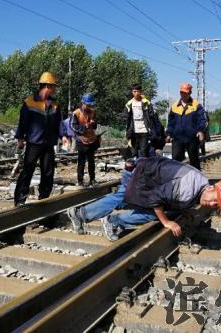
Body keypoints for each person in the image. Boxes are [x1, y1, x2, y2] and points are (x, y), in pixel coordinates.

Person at [100, 156, 221, 241]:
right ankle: (113, 221)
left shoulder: (202, 182)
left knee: (161, 209)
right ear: (211, 189)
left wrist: (183, 211)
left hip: (147, 180)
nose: (212, 204)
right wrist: (166, 222)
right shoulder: (187, 189)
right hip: (143, 181)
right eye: (214, 199)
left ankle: (117, 206)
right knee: (152, 214)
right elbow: (156, 199)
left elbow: (175, 197)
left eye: (216, 204)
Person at [14, 72, 63, 206]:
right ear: (47, 86)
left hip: (48, 144)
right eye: (54, 86)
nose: (55, 89)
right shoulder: (29, 102)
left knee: (48, 173)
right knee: (27, 171)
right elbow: (23, 122)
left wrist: (64, 136)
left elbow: (59, 123)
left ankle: (44, 201)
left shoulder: (55, 105)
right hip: (34, 143)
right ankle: (19, 201)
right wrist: (20, 138)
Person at [67, 159, 136, 234]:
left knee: (122, 197)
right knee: (124, 197)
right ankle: (112, 221)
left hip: (139, 167)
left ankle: (81, 214)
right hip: (143, 168)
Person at [165, 83, 206, 170]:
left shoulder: (196, 105)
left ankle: (197, 181)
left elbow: (202, 119)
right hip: (177, 138)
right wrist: (169, 133)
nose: (183, 94)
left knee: (194, 161)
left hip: (192, 138)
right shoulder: (174, 106)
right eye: (182, 92)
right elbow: (171, 122)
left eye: (185, 92)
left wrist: (200, 130)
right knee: (175, 161)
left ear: (190, 93)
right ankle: (176, 181)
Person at [71, 93, 99, 187]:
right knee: (81, 162)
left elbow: (95, 126)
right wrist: (84, 127)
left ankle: (92, 179)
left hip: (91, 140)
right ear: (83, 103)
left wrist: (93, 123)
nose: (90, 106)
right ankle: (80, 180)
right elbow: (73, 126)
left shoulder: (93, 112)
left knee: (91, 161)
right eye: (88, 104)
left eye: (91, 104)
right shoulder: (76, 113)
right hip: (81, 140)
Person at [125, 83, 158, 158]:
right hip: (133, 131)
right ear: (132, 92)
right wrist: (127, 130)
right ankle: (135, 168)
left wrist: (152, 130)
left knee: (143, 152)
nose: (136, 93)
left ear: (141, 92)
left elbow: (151, 116)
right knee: (134, 152)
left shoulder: (146, 103)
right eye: (134, 91)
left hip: (144, 130)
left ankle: (143, 167)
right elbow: (126, 117)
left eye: (137, 91)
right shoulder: (129, 104)